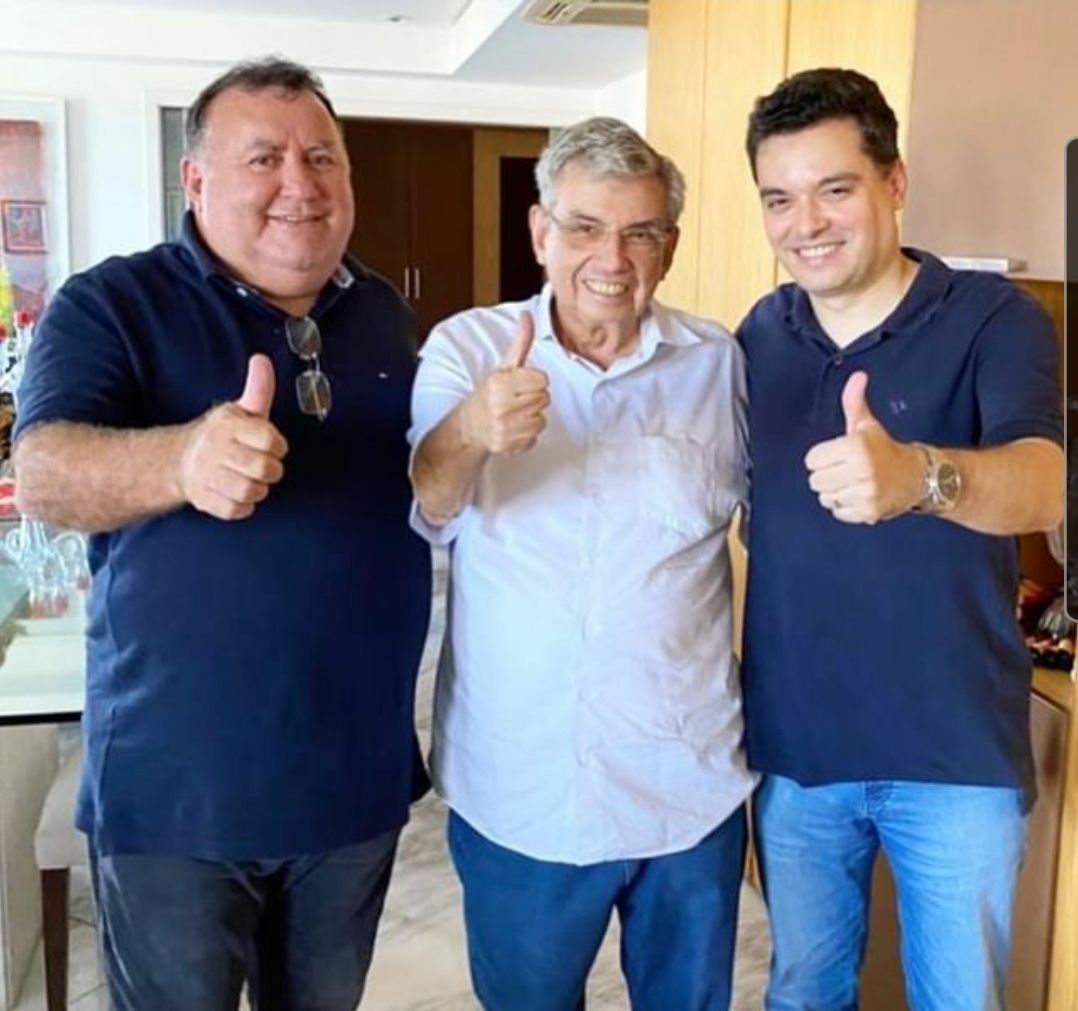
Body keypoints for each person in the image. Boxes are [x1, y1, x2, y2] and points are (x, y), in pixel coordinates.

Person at [12, 57, 431, 1011]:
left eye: (322, 156)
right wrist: (182, 460)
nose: (300, 183)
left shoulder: (381, 311)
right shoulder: (112, 303)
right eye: (264, 158)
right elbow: (42, 475)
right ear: (194, 179)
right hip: (178, 797)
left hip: (353, 783)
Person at [408, 116, 754, 1011]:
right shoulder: (468, 348)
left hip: (686, 789)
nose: (613, 257)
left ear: (670, 246)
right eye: (586, 227)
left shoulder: (718, 364)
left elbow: (774, 529)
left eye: (641, 231)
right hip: (524, 789)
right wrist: (473, 427)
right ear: (540, 232)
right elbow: (430, 497)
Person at [736, 67, 1064, 1011]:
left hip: (952, 755)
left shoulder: (994, 318)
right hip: (799, 752)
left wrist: (919, 477)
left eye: (834, 188)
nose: (806, 223)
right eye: (779, 198)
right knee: (803, 991)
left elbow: (1043, 485)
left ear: (895, 182)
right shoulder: (762, 331)